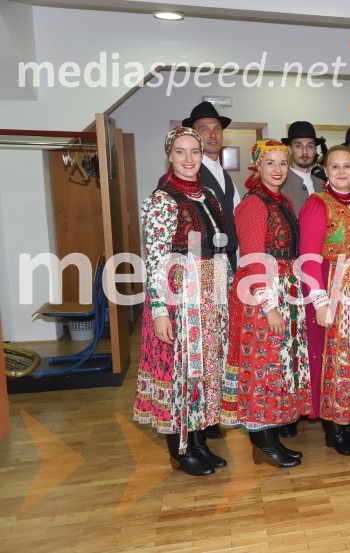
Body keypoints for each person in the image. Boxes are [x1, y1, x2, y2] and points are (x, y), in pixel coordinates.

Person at [133, 127, 231, 476]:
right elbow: (157, 259)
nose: (189, 159)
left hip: (210, 290)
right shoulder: (160, 200)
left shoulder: (208, 195)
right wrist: (160, 310)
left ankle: (200, 440)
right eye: (180, 152)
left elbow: (218, 247)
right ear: (169, 156)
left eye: (194, 152)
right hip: (178, 292)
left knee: (205, 369)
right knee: (181, 370)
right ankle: (179, 449)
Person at [220, 139, 311, 468]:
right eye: (269, 163)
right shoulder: (254, 204)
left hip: (283, 287)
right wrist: (269, 305)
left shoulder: (282, 199)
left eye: (282, 163)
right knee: (263, 368)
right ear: (256, 166)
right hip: (261, 293)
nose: (277, 169)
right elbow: (253, 258)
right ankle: (262, 441)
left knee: (278, 368)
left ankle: (270, 436)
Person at [298, 145, 350, 457]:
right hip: (331, 286)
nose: (342, 172)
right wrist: (319, 302)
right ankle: (334, 425)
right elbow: (309, 258)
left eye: (347, 167)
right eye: (335, 167)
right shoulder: (317, 204)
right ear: (324, 171)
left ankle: (349, 417)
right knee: (332, 358)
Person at [182, 101, 240, 273]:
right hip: (202, 265)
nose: (213, 135)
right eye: (205, 129)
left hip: (229, 261)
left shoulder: (225, 175)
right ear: (194, 135)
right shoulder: (187, 174)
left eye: (217, 129)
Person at [281, 121, 325, 216]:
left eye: (310, 146)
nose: (305, 151)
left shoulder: (323, 185)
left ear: (315, 150)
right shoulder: (280, 185)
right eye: (298, 146)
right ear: (289, 149)